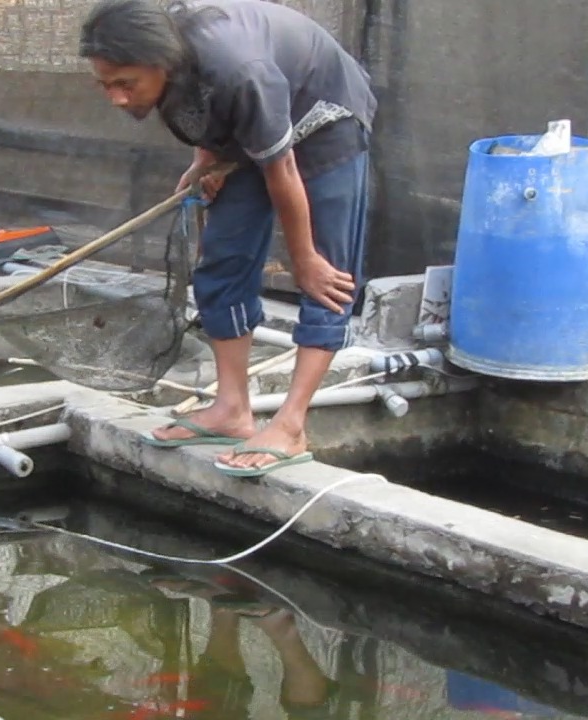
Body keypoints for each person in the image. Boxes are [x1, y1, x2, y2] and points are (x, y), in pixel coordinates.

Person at [78, 0, 377, 476]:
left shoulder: (240, 69)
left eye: (125, 84)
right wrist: (205, 160)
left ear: (161, 64)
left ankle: (292, 423)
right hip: (262, 119)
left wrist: (302, 258)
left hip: (324, 118)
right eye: (105, 84)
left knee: (326, 273)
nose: (115, 97)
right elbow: (203, 107)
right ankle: (232, 409)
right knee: (221, 259)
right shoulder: (173, 58)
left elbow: (282, 169)